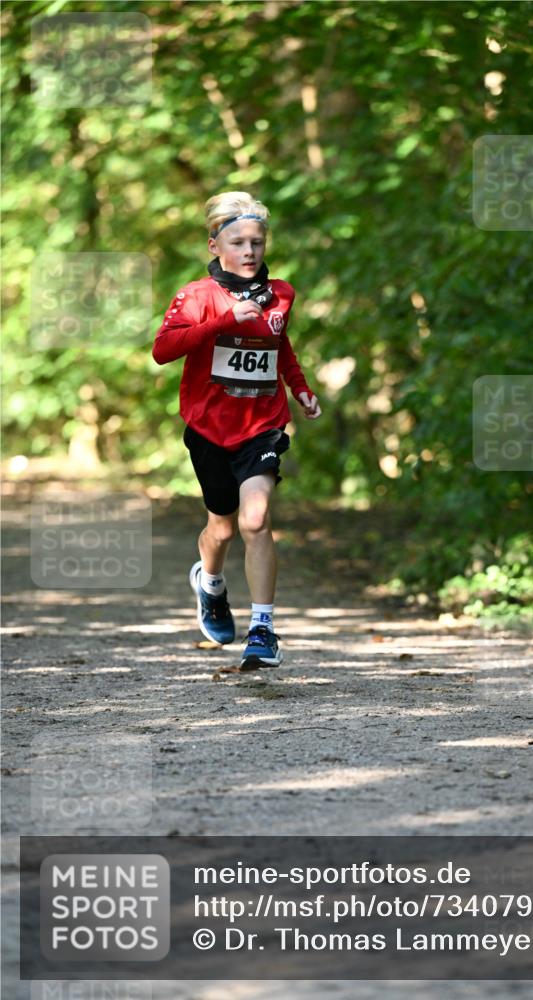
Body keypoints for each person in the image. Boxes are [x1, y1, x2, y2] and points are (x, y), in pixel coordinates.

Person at [152, 191, 321, 666]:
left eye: (258, 242)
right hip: (208, 426)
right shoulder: (196, 295)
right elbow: (163, 350)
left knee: (255, 520)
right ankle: (210, 583)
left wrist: (300, 387)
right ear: (215, 247)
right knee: (222, 529)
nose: (249, 251)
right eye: (238, 242)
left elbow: (279, 346)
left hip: (262, 425)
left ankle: (263, 629)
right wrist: (222, 321)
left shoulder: (281, 293)